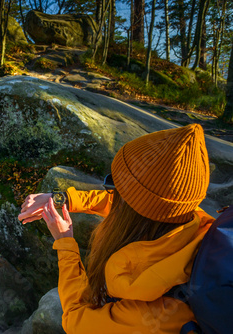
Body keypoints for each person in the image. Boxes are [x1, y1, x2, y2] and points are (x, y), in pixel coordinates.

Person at [18, 124, 214, 333]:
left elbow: (76, 320)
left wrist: (65, 242)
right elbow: (130, 204)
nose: (110, 191)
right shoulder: (195, 222)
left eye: (114, 187)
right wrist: (62, 199)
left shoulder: (155, 315)